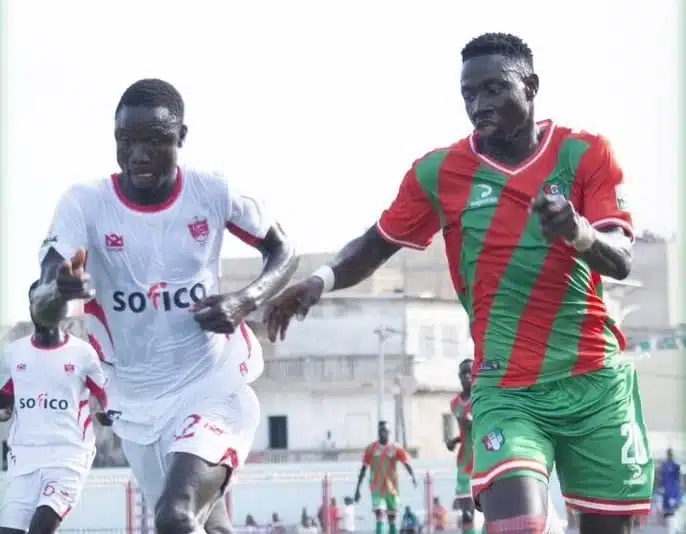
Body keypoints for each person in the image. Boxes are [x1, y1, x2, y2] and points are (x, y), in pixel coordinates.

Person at [264, 32, 653, 534]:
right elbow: (378, 241)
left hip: (594, 383)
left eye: (493, 89)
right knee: (518, 524)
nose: (478, 104)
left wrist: (577, 232)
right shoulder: (440, 172)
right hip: (507, 390)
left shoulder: (586, 154)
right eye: (469, 93)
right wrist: (318, 282)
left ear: (530, 86)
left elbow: (621, 259)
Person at [31, 79, 298, 534]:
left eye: (154, 141)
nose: (138, 154)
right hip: (137, 404)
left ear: (182, 138)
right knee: (207, 524)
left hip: (212, 385)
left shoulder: (211, 192)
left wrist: (243, 301)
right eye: (126, 141)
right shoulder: (85, 205)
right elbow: (40, 304)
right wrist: (61, 290)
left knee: (174, 517)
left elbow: (284, 251)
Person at [0, 281, 108, 534]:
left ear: (63, 308)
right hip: (24, 458)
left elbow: (107, 393)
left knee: (41, 528)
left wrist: (111, 412)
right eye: (37, 301)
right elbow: (5, 398)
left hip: (68, 455)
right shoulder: (14, 353)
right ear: (31, 307)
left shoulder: (83, 354)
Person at [353, 422, 417, 534]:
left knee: (392, 519)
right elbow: (364, 468)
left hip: (392, 489)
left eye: (384, 431)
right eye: (380, 431)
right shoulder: (371, 448)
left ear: (389, 432)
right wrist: (358, 488)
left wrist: (413, 476)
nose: (382, 433)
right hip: (377, 487)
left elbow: (406, 463)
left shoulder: (396, 448)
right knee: (380, 513)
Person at [445, 359, 476, 534]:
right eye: (463, 373)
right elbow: (465, 433)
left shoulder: (482, 398)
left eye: (470, 373)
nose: (467, 377)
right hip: (464, 461)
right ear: (459, 377)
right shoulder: (455, 403)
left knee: (486, 511)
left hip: (483, 458)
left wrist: (474, 422)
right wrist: (454, 441)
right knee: (466, 513)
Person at [659, 448, 682, 534]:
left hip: (673, 491)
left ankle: (674, 529)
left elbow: (678, 479)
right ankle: (674, 529)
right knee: (668, 511)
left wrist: (678, 493)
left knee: (672, 510)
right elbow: (662, 479)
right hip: (667, 491)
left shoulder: (676, 465)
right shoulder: (664, 465)